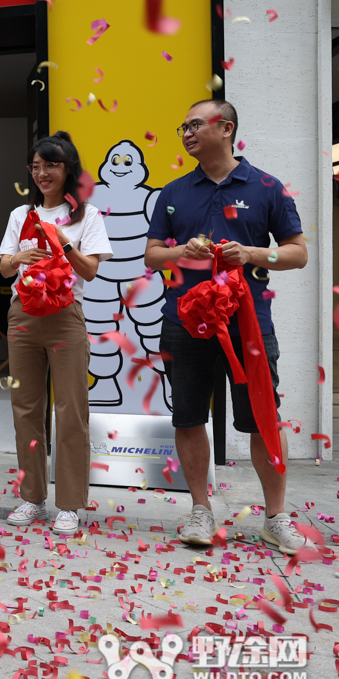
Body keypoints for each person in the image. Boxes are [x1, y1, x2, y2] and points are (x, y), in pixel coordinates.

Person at [144, 99, 308, 554]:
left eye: (196, 124)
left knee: (262, 419)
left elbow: (298, 253)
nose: (187, 132)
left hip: (249, 322)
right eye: (183, 127)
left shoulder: (266, 187)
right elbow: (152, 255)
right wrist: (182, 254)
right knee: (189, 414)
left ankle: (275, 517)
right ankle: (200, 510)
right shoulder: (173, 193)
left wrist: (252, 253)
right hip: (185, 319)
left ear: (227, 127)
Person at [0, 131, 114, 534]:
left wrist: (63, 244)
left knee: (70, 409)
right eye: (36, 165)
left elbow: (91, 272)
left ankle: (69, 503)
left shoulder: (88, 216)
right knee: (25, 408)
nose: (42, 173)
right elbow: (4, 268)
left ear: (68, 170)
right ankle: (31, 496)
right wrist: (19, 258)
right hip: (23, 315)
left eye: (51, 165)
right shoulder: (19, 215)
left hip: (65, 315)